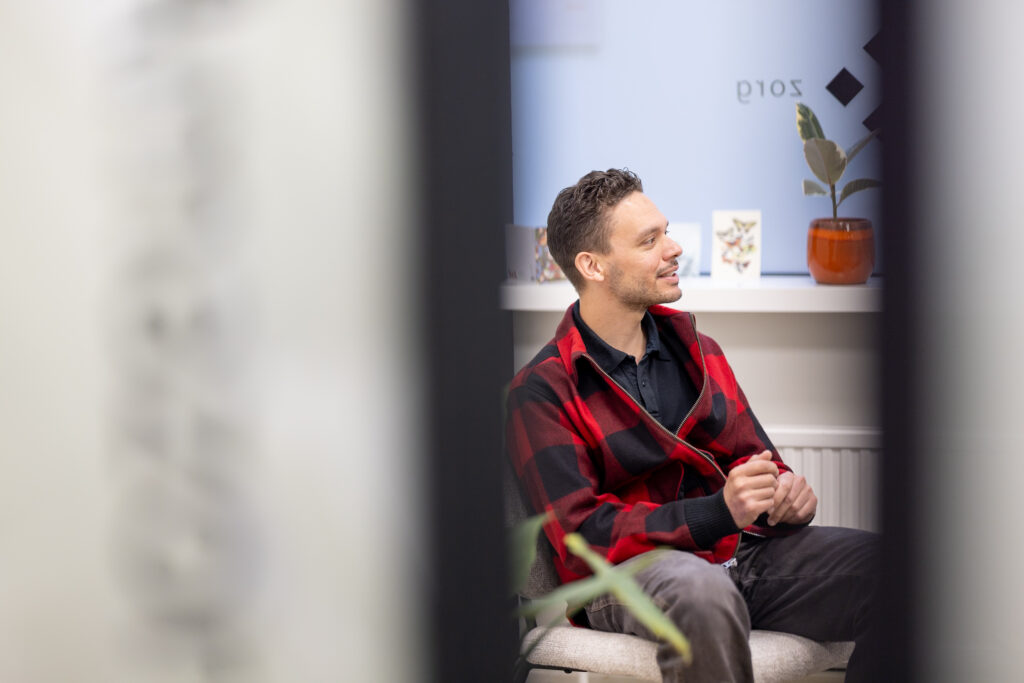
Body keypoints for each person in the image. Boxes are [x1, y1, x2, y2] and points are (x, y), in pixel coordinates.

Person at [505, 169, 877, 682]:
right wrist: (716, 512)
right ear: (593, 265)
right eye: (649, 241)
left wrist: (786, 497)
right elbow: (582, 535)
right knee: (703, 592)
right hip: (626, 579)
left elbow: (759, 463)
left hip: (737, 556)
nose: (674, 248)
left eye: (667, 232)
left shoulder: (699, 351)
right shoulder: (543, 390)